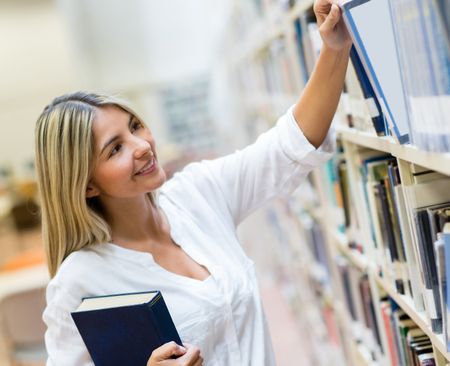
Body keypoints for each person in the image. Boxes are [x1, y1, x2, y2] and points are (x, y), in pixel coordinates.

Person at [37, 1, 351, 365]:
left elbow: (287, 149)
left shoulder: (197, 194)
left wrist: (333, 48)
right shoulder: (81, 282)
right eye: (116, 149)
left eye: (135, 126)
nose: (142, 146)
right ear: (87, 185)